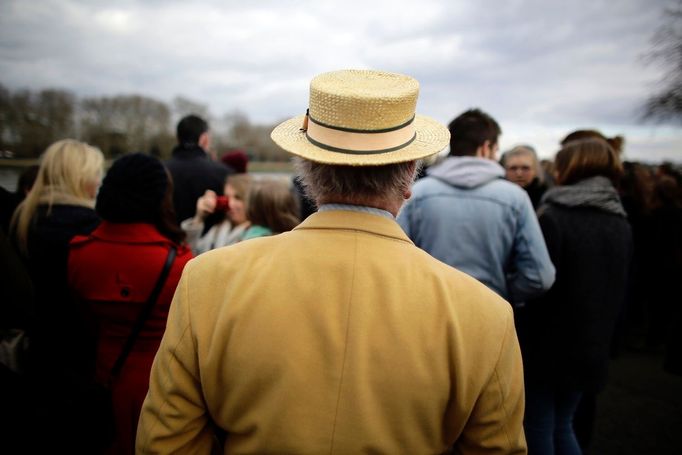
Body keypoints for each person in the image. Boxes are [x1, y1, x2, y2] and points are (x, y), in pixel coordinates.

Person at [137, 69, 526, 454]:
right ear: (410, 177)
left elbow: (166, 442)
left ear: (307, 170)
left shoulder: (209, 280)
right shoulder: (485, 315)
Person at [68, 153, 193, 454]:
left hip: (102, 376)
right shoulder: (178, 262)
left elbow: (84, 323)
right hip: (161, 384)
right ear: (159, 197)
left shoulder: (78, 253)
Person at [517, 138, 632, 455]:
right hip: (593, 342)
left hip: (549, 344)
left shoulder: (555, 216)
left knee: (539, 424)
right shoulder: (618, 218)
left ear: (570, 167)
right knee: (564, 423)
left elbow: (540, 284)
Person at [397, 108, 554, 306]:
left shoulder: (418, 193)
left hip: (429, 309)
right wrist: (503, 293)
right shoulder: (515, 198)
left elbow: (398, 262)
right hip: (491, 310)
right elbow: (540, 276)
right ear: (486, 147)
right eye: (496, 150)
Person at [9, 138, 104, 451]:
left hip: (35, 348)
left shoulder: (23, 218)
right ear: (80, 178)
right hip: (80, 351)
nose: (98, 182)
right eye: (95, 174)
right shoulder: (88, 229)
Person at [165, 114, 234, 224]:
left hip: (166, 239)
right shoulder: (223, 173)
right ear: (204, 139)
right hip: (213, 239)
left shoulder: (160, 171)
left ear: (178, 138)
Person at [181, 174, 253, 255]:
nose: (230, 204)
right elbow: (191, 254)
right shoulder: (218, 229)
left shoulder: (257, 236)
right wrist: (199, 217)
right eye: (227, 198)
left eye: (238, 198)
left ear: (251, 200)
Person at [500, 145, 548, 209]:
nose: (519, 174)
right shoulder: (498, 196)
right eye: (513, 168)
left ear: (535, 171)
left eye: (525, 168)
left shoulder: (546, 199)